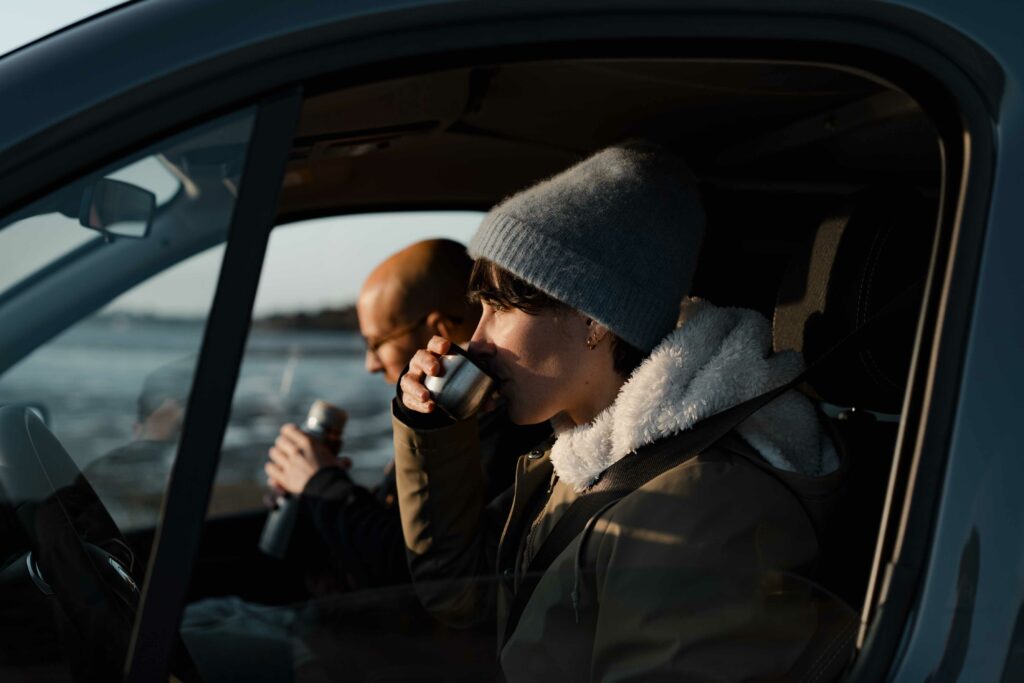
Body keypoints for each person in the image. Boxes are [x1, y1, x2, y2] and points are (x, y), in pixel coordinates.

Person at [393, 142, 844, 680]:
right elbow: (462, 595)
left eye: (501, 307)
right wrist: (432, 429)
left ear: (592, 319)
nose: (478, 341)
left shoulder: (701, 507)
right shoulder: (576, 459)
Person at [263, 238, 548, 589]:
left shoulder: (509, 428)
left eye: (375, 344)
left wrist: (320, 483)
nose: (370, 365)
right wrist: (314, 495)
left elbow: (416, 571)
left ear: (439, 332)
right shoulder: (446, 418)